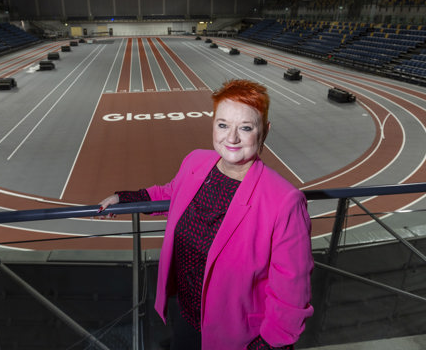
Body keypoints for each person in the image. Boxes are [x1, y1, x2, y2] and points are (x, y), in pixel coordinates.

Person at [98, 79, 314, 350]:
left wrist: (268, 346)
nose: (231, 138)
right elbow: (170, 192)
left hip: (238, 336)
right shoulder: (196, 161)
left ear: (265, 132)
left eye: (245, 128)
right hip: (186, 316)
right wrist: (126, 198)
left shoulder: (285, 201)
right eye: (223, 125)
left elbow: (291, 297)